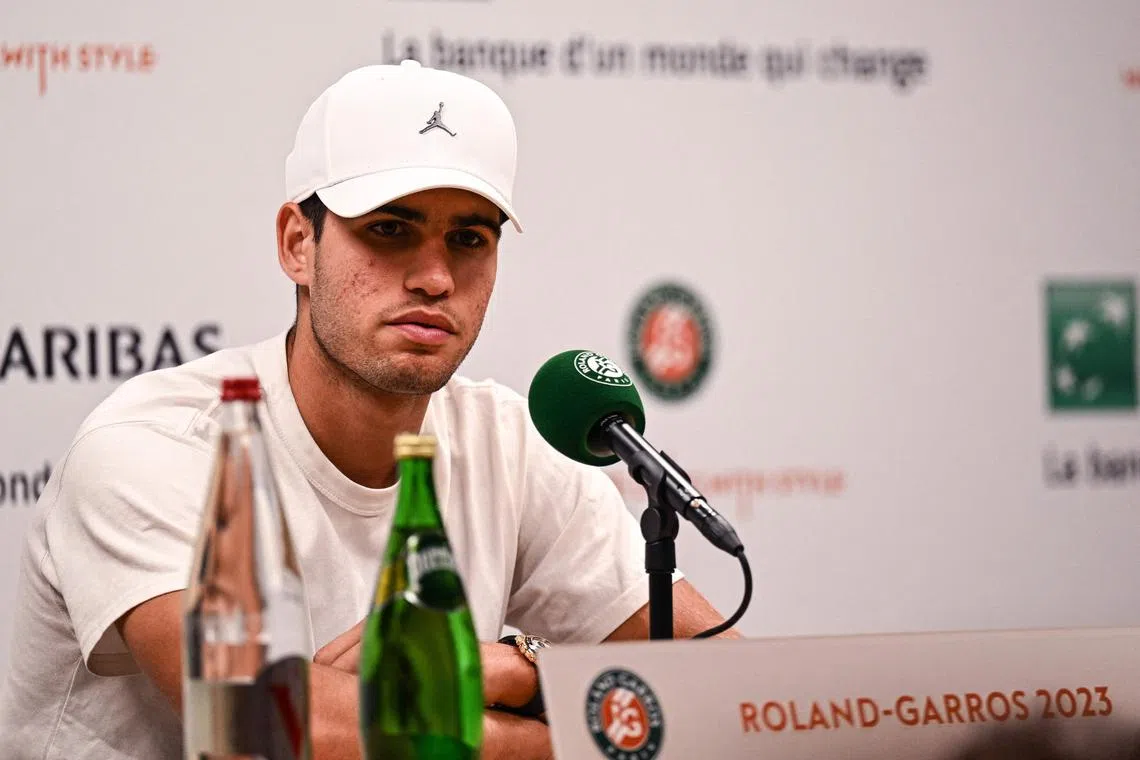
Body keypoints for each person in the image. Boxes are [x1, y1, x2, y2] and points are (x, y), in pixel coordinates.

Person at [0, 60, 735, 759]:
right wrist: (573, 736)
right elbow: (257, 720)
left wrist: (527, 671)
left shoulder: (508, 443)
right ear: (297, 244)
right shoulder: (158, 444)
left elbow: (729, 690)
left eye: (469, 238)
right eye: (390, 228)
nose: (435, 276)